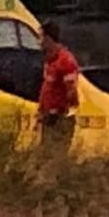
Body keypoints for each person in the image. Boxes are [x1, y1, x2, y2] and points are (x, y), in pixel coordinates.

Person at [37, 21, 81, 150]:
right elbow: (48, 88)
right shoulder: (50, 60)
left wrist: (60, 113)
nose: (39, 42)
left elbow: (71, 91)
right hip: (49, 117)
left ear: (49, 38)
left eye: (41, 37)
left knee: (55, 156)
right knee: (45, 155)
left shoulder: (65, 61)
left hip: (59, 118)